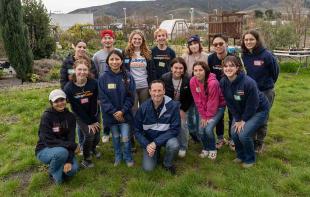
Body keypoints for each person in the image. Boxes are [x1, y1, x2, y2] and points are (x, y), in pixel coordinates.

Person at [220, 56, 270, 168]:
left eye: (232, 65)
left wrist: (244, 120)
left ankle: (250, 159)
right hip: (241, 111)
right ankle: (240, 155)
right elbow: (230, 103)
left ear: (238, 67)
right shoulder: (223, 82)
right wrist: (237, 119)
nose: (228, 68)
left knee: (243, 134)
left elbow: (253, 104)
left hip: (259, 110)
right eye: (226, 66)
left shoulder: (248, 82)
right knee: (233, 133)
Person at [241, 30, 279, 153]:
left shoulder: (266, 55)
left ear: (257, 40)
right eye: (246, 40)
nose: (248, 42)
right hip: (252, 92)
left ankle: (259, 143)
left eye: (251, 39)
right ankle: (250, 140)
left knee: (263, 118)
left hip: (265, 91)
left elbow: (275, 72)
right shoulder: (245, 55)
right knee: (251, 116)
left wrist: (267, 84)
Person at [134, 80, 180, 175]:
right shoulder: (143, 108)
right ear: (150, 92)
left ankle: (167, 164)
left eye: (159, 90)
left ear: (164, 91)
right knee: (148, 169)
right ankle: (156, 152)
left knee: (174, 145)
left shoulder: (173, 106)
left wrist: (156, 143)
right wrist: (147, 145)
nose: (157, 93)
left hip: (165, 138)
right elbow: (137, 130)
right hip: (149, 141)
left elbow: (175, 129)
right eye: (154, 91)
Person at [98, 50, 135, 167]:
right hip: (111, 116)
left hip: (125, 115)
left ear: (122, 61)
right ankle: (118, 156)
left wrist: (122, 111)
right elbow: (103, 99)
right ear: (108, 62)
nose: (115, 62)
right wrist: (114, 112)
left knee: (125, 137)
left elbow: (131, 97)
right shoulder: (103, 78)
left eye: (117, 59)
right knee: (115, 137)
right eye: (112, 59)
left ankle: (128, 156)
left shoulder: (128, 77)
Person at [60, 40, 98, 152]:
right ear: (74, 47)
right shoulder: (67, 62)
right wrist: (67, 95)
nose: (82, 49)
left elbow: (94, 77)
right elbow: (63, 79)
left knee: (94, 128)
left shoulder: (89, 61)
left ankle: (91, 146)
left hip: (89, 95)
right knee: (82, 125)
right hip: (75, 96)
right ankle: (83, 144)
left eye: (84, 47)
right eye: (79, 46)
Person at [35, 89, 79, 184]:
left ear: (66, 100)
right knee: (59, 181)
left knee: (73, 170)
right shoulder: (47, 116)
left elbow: (71, 139)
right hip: (45, 149)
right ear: (51, 103)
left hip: (64, 149)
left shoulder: (71, 117)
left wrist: (69, 160)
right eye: (56, 101)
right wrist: (70, 146)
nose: (60, 103)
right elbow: (48, 140)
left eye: (62, 100)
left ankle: (61, 165)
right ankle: (52, 173)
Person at [64, 56, 100, 168]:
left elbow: (94, 102)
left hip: (93, 112)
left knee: (97, 133)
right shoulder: (69, 88)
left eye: (85, 69)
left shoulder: (93, 83)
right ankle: (86, 158)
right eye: (80, 69)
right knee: (89, 135)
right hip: (79, 114)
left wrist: (94, 119)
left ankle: (93, 148)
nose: (82, 72)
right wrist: (89, 123)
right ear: (75, 70)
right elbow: (76, 108)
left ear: (88, 71)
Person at [190, 61, 226, 160]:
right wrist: (203, 115)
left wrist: (207, 117)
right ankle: (206, 148)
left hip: (218, 107)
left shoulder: (213, 83)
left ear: (205, 71)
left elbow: (213, 102)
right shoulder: (193, 81)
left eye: (200, 70)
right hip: (204, 109)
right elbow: (197, 100)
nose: (198, 73)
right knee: (201, 131)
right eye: (195, 70)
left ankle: (213, 149)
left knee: (208, 129)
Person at [161, 57, 193, 158]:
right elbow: (162, 94)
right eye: (176, 68)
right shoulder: (165, 78)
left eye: (181, 68)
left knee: (182, 124)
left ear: (184, 69)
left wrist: (183, 110)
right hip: (169, 104)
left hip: (182, 104)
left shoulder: (188, 80)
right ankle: (168, 143)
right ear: (171, 68)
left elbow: (190, 97)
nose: (178, 70)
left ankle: (183, 146)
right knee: (167, 123)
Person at [93, 29, 121, 143]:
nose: (108, 40)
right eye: (105, 38)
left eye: (110, 38)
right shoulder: (97, 56)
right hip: (103, 87)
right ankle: (106, 131)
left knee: (118, 107)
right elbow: (94, 73)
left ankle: (119, 128)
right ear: (102, 40)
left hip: (118, 85)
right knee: (105, 110)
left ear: (113, 39)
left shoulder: (119, 52)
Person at [208, 34, 235, 150]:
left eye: (220, 44)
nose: (218, 46)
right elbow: (209, 75)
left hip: (231, 91)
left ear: (226, 44)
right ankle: (220, 138)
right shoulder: (211, 58)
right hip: (217, 93)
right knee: (218, 116)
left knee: (232, 114)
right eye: (215, 44)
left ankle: (232, 138)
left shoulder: (233, 58)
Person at [182, 35, 209, 143]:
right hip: (189, 89)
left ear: (199, 44)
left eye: (195, 43)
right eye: (191, 44)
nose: (193, 46)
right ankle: (192, 132)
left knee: (200, 112)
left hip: (202, 90)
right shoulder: (185, 56)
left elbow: (208, 73)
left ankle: (200, 133)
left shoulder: (206, 56)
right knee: (189, 113)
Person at [124, 29, 156, 114]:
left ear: (142, 41)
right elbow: (123, 70)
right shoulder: (126, 53)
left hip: (144, 86)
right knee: (133, 110)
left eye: (139, 39)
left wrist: (152, 85)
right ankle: (135, 127)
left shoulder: (148, 53)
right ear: (131, 40)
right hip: (132, 87)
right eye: (135, 39)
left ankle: (144, 127)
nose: (137, 41)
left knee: (145, 109)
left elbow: (152, 70)